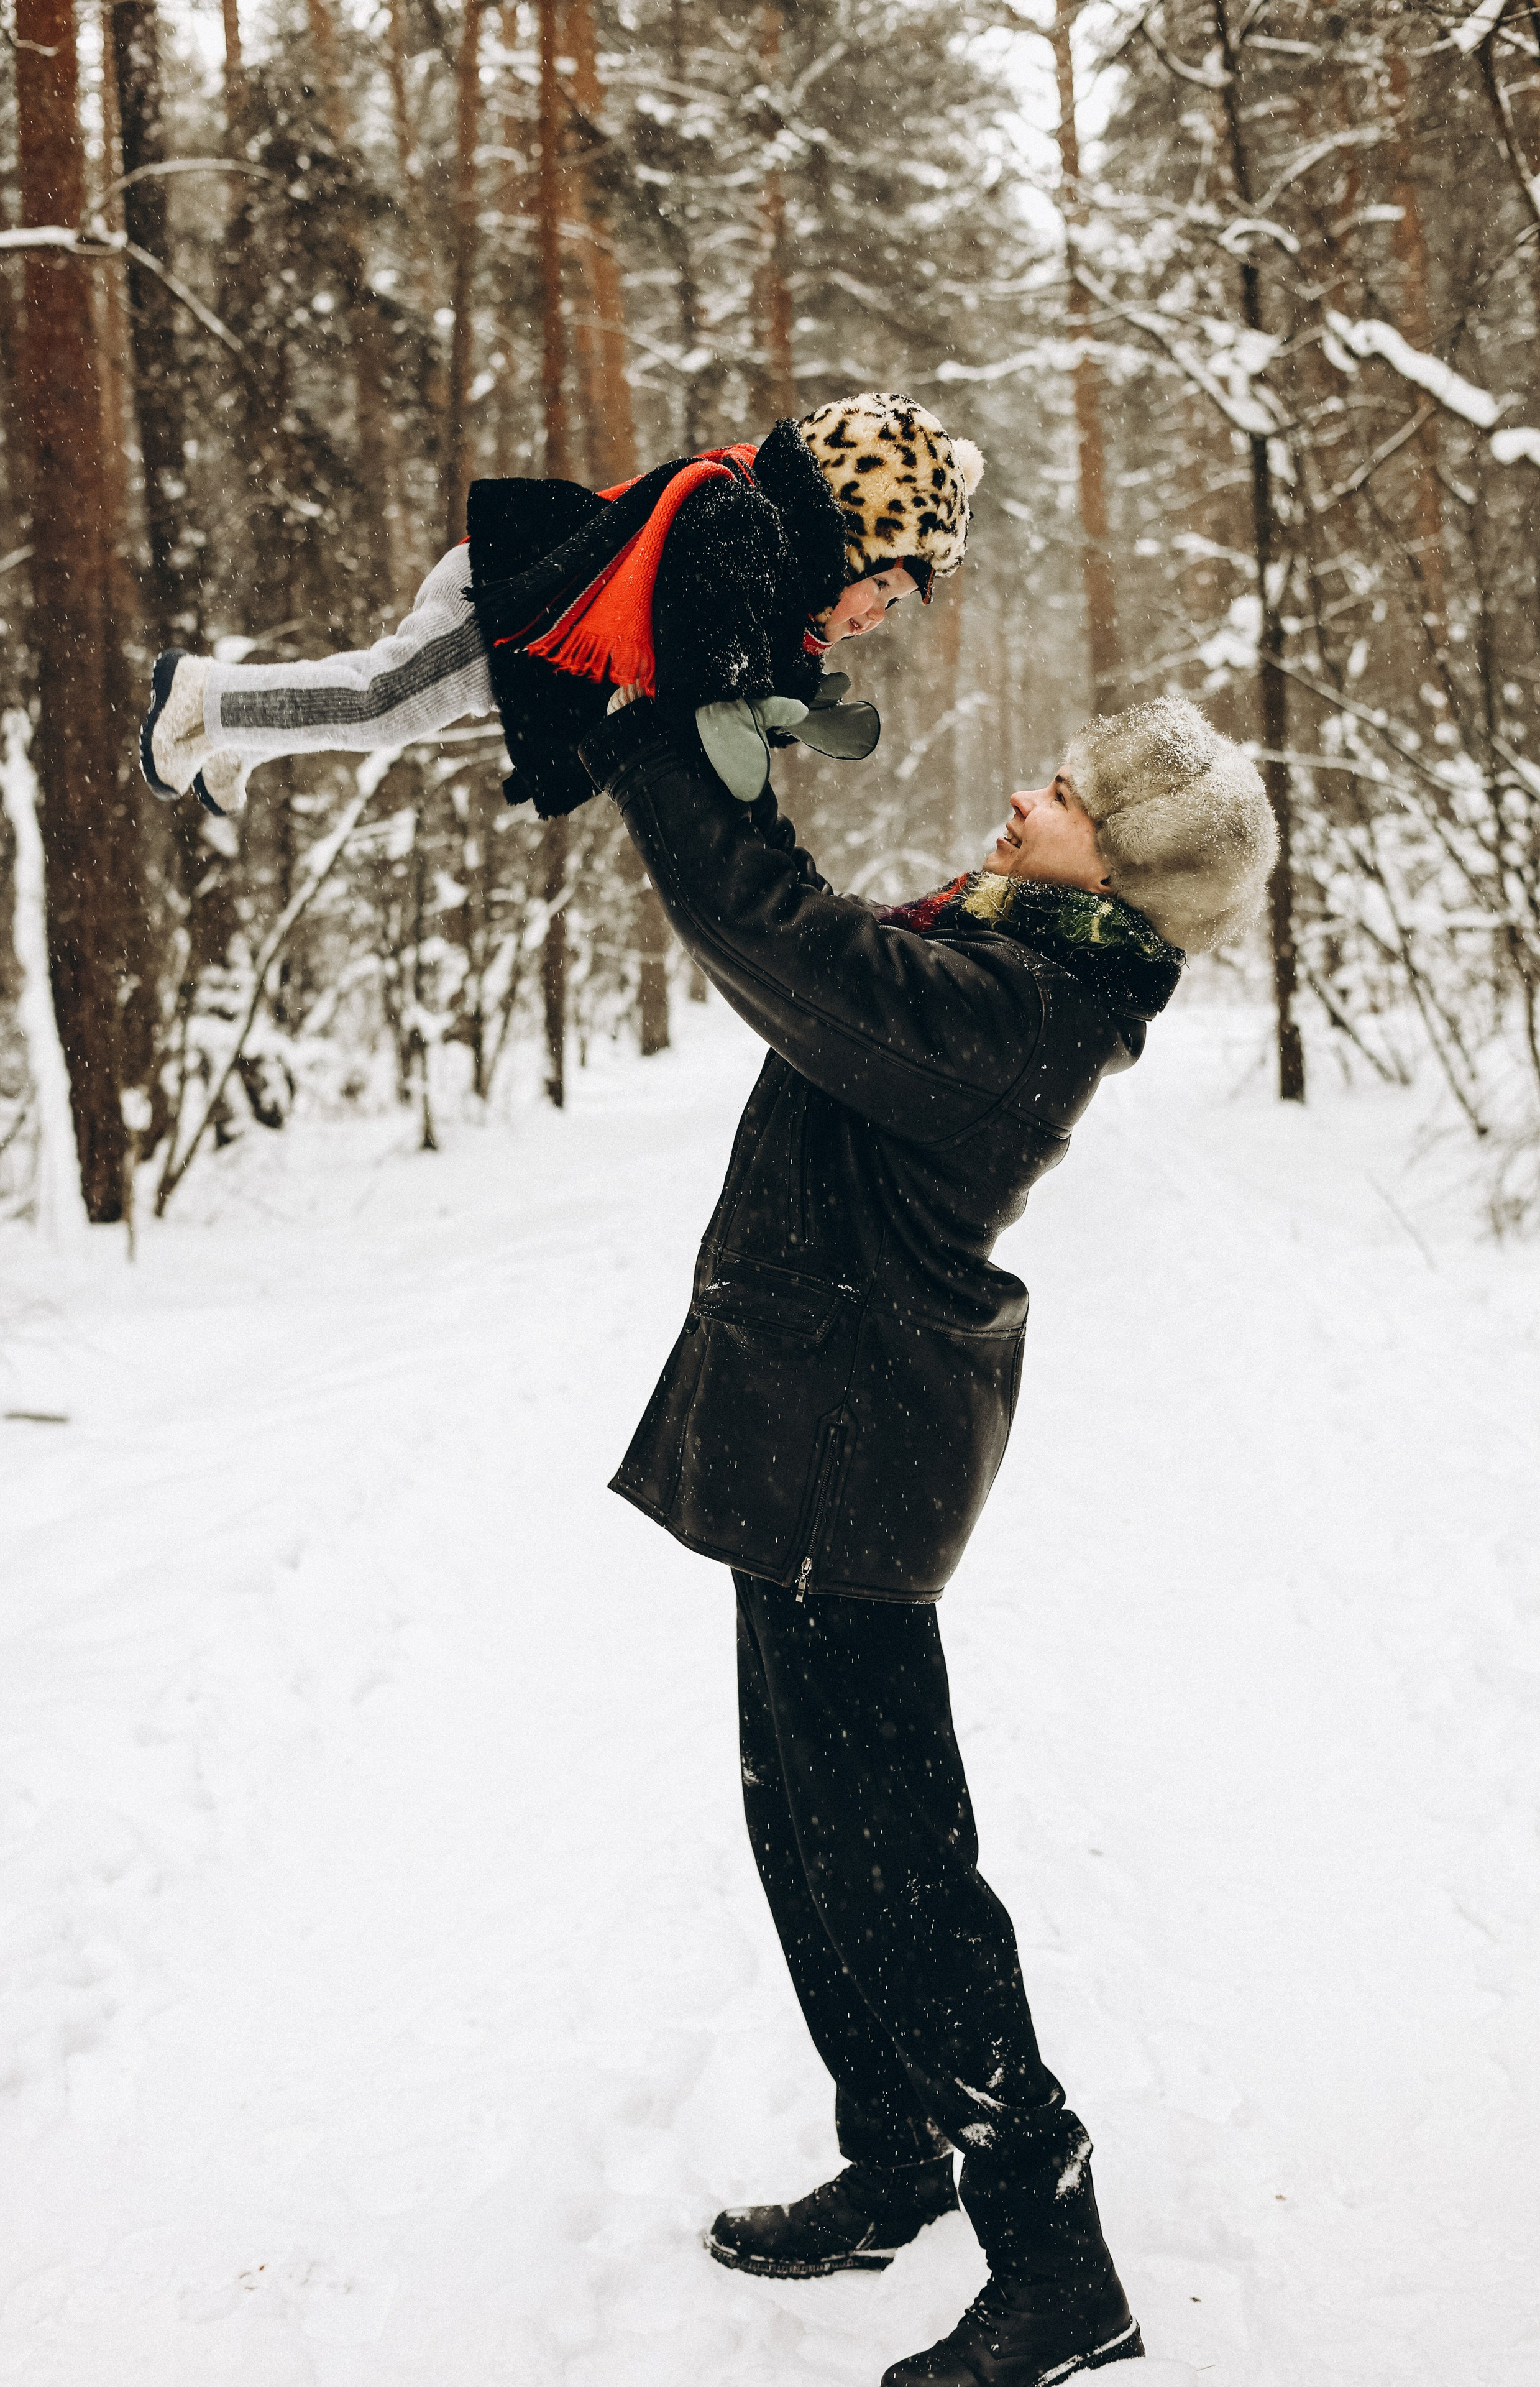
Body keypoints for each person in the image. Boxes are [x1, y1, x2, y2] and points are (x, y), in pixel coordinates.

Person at [572, 690, 1278, 2387]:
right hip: (822, 1427)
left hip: (849, 1451)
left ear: (1115, 878)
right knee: (806, 1827)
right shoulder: (1007, 957)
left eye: (1067, 799)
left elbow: (770, 936)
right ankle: (899, 2152)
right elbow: (809, 915)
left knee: (899, 1872)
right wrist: (734, 736)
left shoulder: (1019, 1010)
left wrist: (646, 730)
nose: (1025, 796)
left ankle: (1057, 2265)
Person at [137, 392, 982, 819]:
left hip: (540, 635)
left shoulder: (774, 559)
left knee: (399, 711)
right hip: (510, 601)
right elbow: (716, 672)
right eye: (878, 585)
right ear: (843, 539)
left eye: (896, 606)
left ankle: (241, 734)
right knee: (384, 702)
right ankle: (203, 700)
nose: (874, 617)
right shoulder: (737, 520)